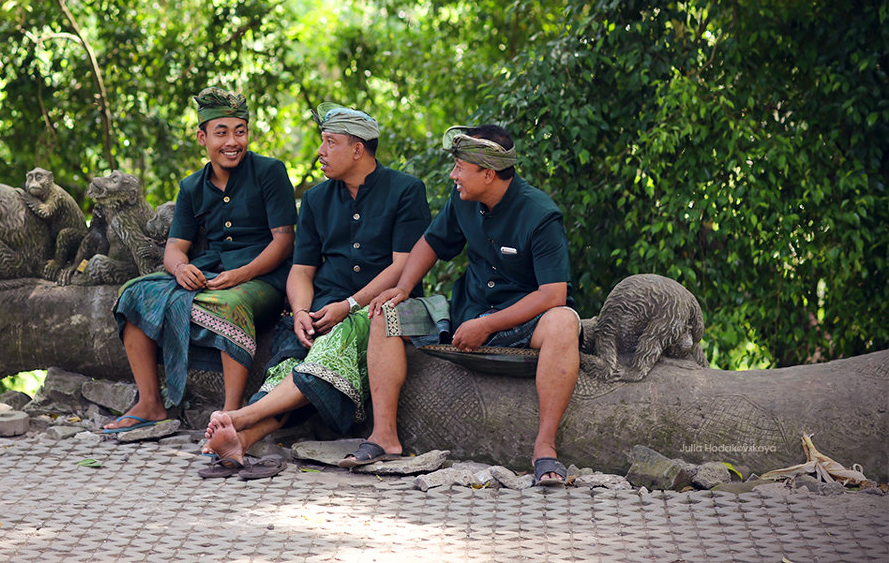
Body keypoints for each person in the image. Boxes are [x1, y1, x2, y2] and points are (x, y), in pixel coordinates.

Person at [200, 104, 430, 476]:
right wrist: (302, 311)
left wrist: (351, 304)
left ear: (358, 149)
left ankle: (239, 417)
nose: (320, 152)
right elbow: (301, 270)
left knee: (329, 353)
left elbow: (403, 265)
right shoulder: (317, 198)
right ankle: (241, 440)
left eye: (329, 143)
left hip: (380, 306)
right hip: (324, 306)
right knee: (290, 366)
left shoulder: (405, 191)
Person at [349, 124, 580, 486]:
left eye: (460, 167)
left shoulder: (540, 214)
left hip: (523, 323)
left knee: (564, 320)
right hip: (466, 313)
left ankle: (544, 449)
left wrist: (488, 326)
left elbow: (553, 295)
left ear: (488, 174)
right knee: (385, 313)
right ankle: (384, 437)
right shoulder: (463, 200)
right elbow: (430, 243)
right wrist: (404, 287)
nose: (453, 175)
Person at [106, 87, 296, 431]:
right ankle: (150, 402)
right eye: (221, 132)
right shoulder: (192, 186)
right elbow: (175, 248)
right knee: (133, 293)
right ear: (202, 137)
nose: (232, 142)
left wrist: (241, 274)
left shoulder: (270, 172)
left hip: (265, 279)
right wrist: (181, 269)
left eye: (240, 131)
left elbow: (283, 242)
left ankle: (230, 414)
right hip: (211, 272)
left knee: (228, 304)